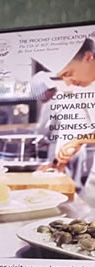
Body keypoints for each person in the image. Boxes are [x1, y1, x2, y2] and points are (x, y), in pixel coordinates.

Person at [37, 37, 95, 199]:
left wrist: (79, 140)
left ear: (88, 57)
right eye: (62, 77)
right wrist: (58, 163)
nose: (68, 82)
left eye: (68, 73)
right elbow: (74, 127)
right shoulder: (80, 87)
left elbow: (79, 137)